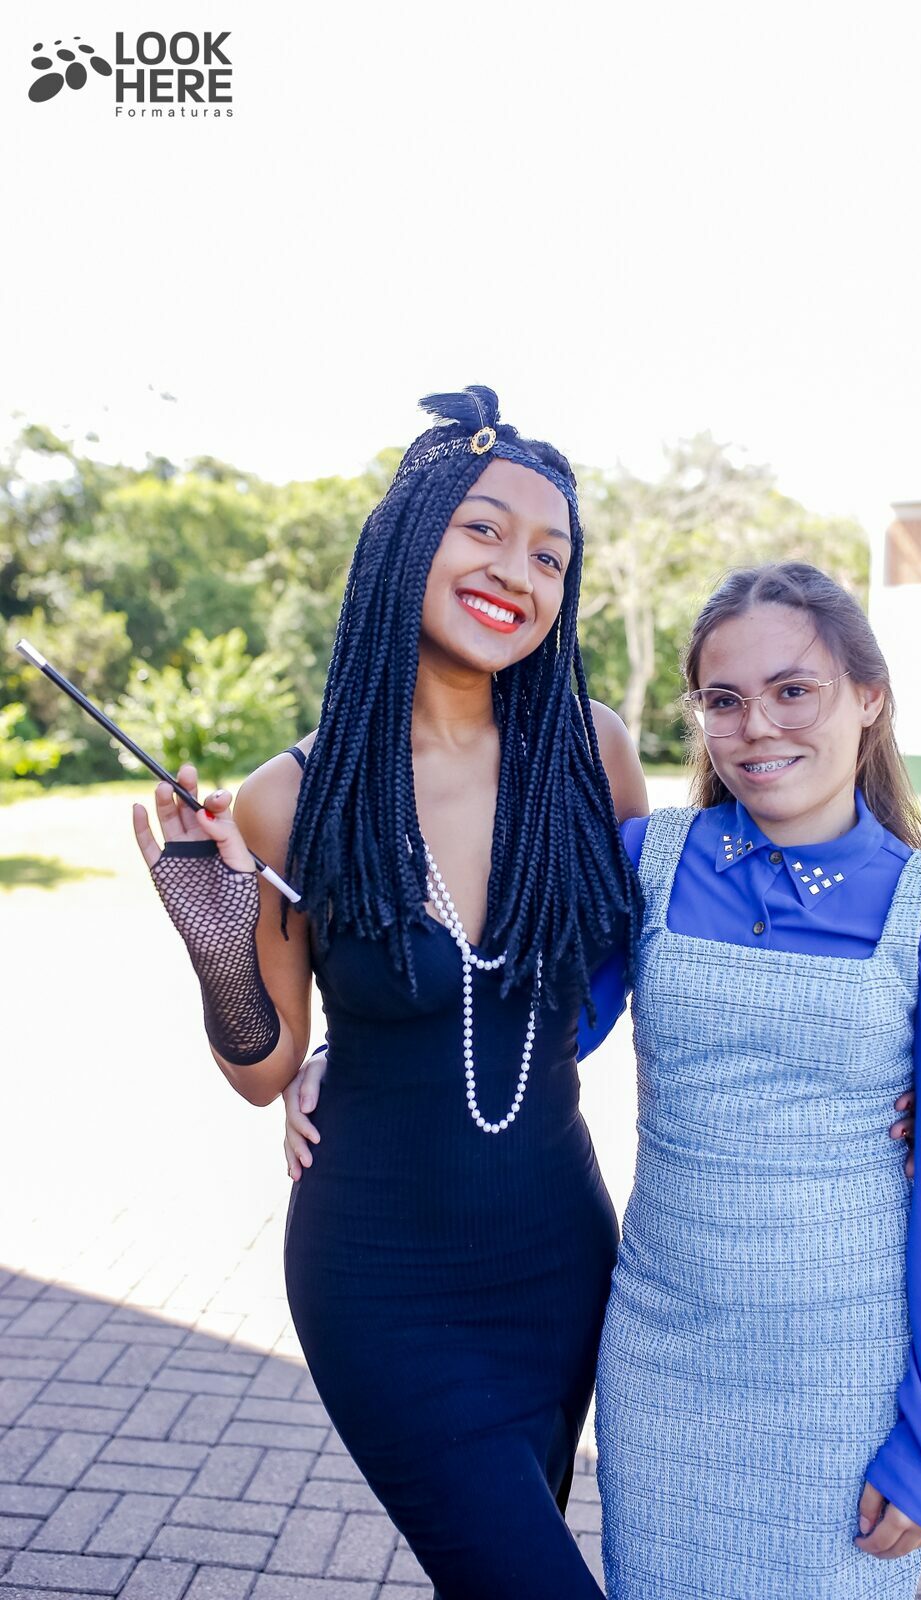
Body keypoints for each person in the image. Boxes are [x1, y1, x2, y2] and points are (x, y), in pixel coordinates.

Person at [134, 386, 648, 1600]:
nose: (516, 570)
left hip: (558, 1255)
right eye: (483, 529)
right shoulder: (289, 797)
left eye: (550, 554)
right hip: (379, 1275)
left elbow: (646, 964)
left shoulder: (592, 754)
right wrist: (217, 938)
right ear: (407, 540)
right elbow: (265, 1066)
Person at [591, 562, 921, 1599]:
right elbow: (527, 1034)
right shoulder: (645, 860)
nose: (755, 727)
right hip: (657, 1368)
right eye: (723, 700)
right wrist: (342, 1055)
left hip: (842, 1382)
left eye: (792, 691)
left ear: (867, 698)